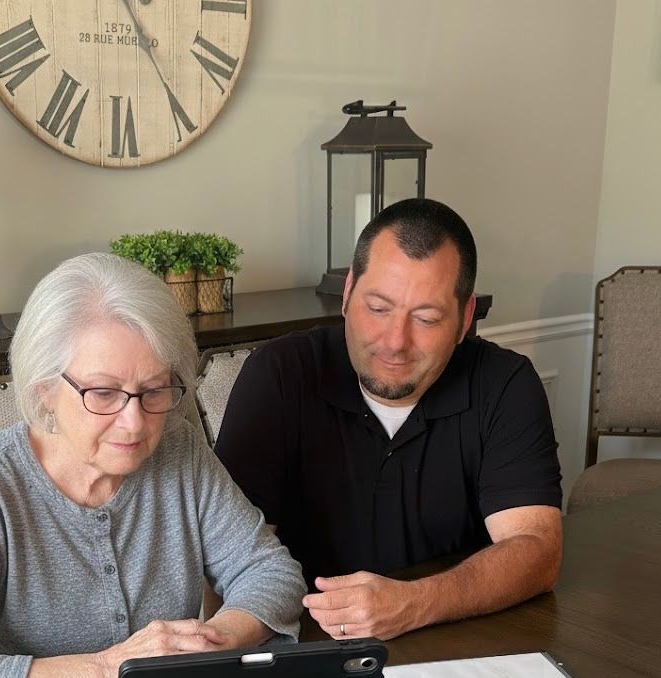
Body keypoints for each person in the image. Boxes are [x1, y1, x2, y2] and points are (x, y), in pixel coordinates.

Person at [0, 253, 306, 678]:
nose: (135, 422)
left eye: (154, 390)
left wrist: (209, 643)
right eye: (103, 393)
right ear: (45, 391)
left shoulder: (179, 449)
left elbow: (269, 571)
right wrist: (112, 668)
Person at [214, 198, 563, 641]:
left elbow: (538, 550)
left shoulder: (504, 384)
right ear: (347, 296)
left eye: (426, 318)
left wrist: (414, 603)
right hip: (306, 645)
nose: (395, 342)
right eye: (377, 309)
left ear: (464, 319)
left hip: (456, 639)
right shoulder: (280, 374)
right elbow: (232, 561)